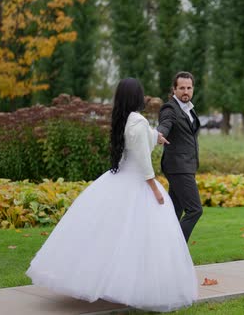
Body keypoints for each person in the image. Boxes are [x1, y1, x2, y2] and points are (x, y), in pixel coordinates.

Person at [26, 78, 198, 312]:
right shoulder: (136, 120)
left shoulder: (123, 118)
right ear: (137, 96)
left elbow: (141, 140)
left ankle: (110, 282)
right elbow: (141, 157)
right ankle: (133, 285)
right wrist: (154, 187)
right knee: (138, 235)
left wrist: (156, 136)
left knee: (113, 236)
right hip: (137, 180)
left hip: (120, 178)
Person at [157, 71, 202, 242]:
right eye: (182, 88)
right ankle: (177, 249)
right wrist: (159, 134)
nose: (186, 91)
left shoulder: (189, 109)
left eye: (189, 88)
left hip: (186, 166)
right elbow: (165, 124)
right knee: (195, 209)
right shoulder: (170, 108)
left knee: (175, 211)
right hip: (178, 167)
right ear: (174, 90)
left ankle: (164, 251)